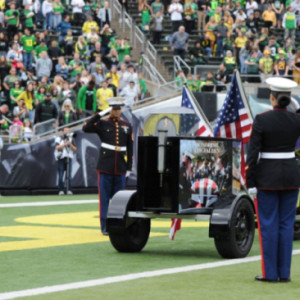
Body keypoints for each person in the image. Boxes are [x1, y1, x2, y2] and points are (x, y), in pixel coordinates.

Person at [246, 77, 300, 282]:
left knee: (268, 225)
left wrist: (250, 181)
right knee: (286, 225)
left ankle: (270, 274)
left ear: (272, 98)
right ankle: (284, 273)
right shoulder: (296, 120)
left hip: (267, 178)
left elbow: (253, 154)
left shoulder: (262, 119)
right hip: (291, 176)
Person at [82, 98, 133, 234]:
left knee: (120, 200)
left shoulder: (127, 125)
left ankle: (119, 224)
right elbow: (86, 127)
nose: (117, 111)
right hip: (106, 166)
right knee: (104, 198)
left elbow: (130, 148)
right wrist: (100, 114)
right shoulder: (103, 123)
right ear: (110, 110)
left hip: (120, 167)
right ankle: (104, 226)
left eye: (118, 109)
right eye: (114, 109)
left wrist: (129, 168)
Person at [55, 126, 77, 195]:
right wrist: (65, 144)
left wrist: (70, 144)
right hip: (61, 158)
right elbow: (57, 147)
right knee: (61, 175)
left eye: (68, 130)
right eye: (66, 130)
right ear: (63, 131)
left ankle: (69, 190)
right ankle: (60, 190)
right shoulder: (59, 138)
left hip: (69, 157)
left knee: (69, 175)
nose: (67, 132)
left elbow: (75, 149)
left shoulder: (71, 138)